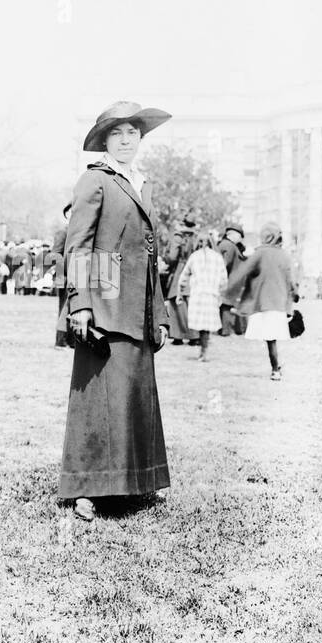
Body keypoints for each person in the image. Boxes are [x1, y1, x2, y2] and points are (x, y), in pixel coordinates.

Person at [58, 99, 172, 521]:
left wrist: (159, 314)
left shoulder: (140, 182)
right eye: (117, 134)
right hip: (104, 299)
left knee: (134, 396)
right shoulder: (95, 180)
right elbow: (79, 246)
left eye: (133, 133)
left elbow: (150, 253)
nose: (126, 140)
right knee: (99, 398)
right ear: (105, 141)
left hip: (138, 306)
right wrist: (81, 306)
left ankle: (135, 482)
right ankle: (87, 490)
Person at [223, 221, 296, 381]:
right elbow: (291, 280)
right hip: (279, 302)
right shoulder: (284, 255)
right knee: (272, 338)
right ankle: (276, 367)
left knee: (270, 338)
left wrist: (227, 291)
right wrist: (293, 297)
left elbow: (243, 272)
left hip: (263, 302)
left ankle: (275, 368)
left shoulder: (260, 253)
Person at [177, 235, 228, 361]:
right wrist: (220, 293)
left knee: (201, 324)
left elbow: (183, 276)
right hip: (212, 294)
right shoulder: (217, 257)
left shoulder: (194, 256)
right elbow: (224, 280)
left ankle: (203, 351)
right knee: (207, 325)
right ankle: (204, 350)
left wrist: (180, 293)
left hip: (198, 294)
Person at [164, 216, 199, 344]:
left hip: (181, 268)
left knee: (176, 301)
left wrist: (166, 260)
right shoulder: (197, 237)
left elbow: (172, 257)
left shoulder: (178, 237)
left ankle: (179, 336)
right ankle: (195, 336)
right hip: (196, 271)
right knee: (191, 302)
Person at [216, 223, 246, 335]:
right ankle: (225, 330)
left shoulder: (226, 244)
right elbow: (224, 264)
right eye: (239, 235)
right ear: (233, 235)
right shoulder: (229, 245)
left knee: (227, 305)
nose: (240, 238)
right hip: (229, 280)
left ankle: (229, 329)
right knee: (226, 305)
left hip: (231, 279)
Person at [50, 204, 71, 345]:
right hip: (64, 275)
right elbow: (55, 255)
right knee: (64, 308)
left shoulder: (78, 231)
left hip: (77, 274)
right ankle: (61, 340)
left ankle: (71, 340)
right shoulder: (63, 232)